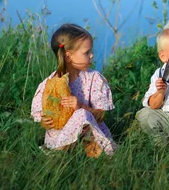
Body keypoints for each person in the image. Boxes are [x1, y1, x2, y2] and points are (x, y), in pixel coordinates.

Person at [31, 23, 117, 157]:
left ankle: (89, 152)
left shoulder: (94, 79)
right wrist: (44, 122)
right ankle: (59, 152)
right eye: (86, 52)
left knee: (82, 114)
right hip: (59, 137)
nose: (92, 55)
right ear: (68, 56)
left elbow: (101, 116)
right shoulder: (50, 84)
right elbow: (40, 114)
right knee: (79, 115)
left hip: (89, 136)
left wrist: (81, 107)